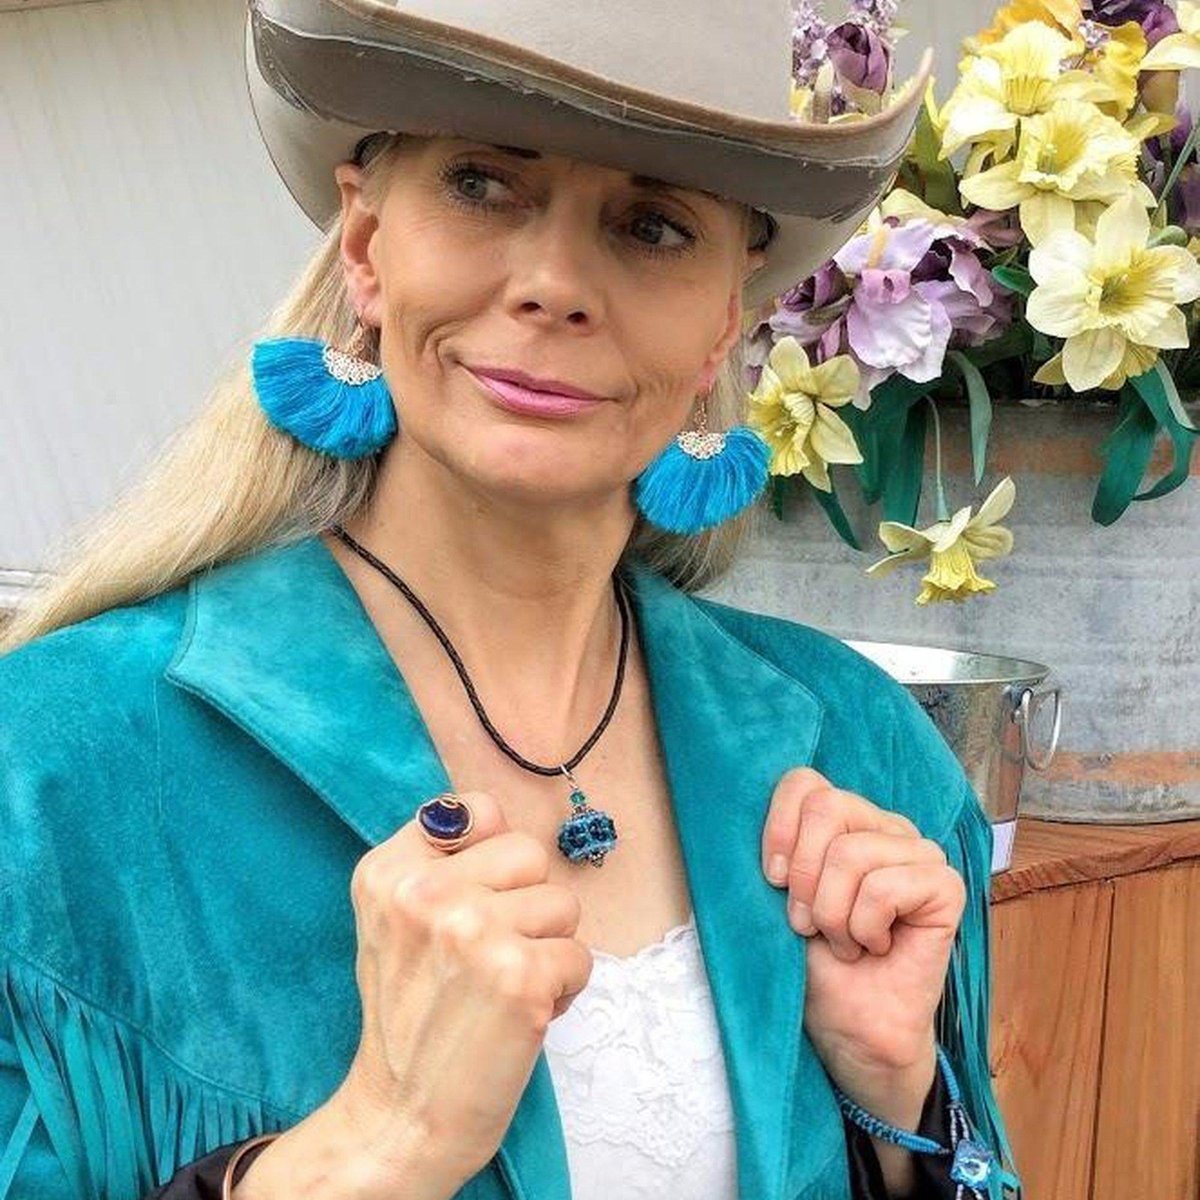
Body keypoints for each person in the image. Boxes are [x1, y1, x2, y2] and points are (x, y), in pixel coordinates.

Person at [0, 1, 1023, 1198]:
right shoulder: (51, 771)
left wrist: (898, 1103)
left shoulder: (865, 749)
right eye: (484, 185)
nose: (554, 284)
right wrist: (384, 1139)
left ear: (720, 333)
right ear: (368, 247)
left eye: (651, 225)